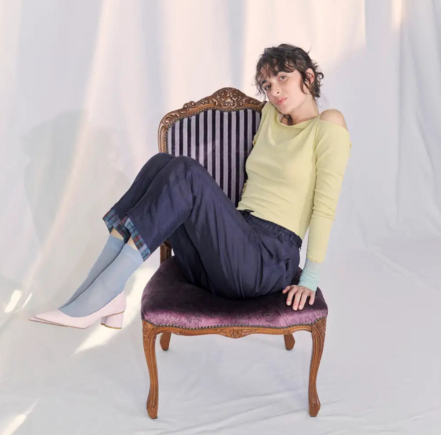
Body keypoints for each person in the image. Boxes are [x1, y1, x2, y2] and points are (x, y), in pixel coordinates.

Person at [29, 43, 351, 330]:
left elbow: (324, 208)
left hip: (265, 263)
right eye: (267, 84)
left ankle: (102, 292)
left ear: (308, 77)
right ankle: (98, 289)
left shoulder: (328, 125)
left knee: (185, 171)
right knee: (160, 164)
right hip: (220, 260)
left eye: (283, 77)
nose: (274, 90)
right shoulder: (269, 115)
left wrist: (310, 279)